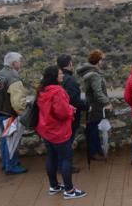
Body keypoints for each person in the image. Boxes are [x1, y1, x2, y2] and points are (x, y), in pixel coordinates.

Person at [36, 65, 87, 199]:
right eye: (60, 74)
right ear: (54, 76)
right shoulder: (58, 91)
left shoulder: (42, 90)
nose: (62, 75)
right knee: (66, 159)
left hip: (46, 130)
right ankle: (69, 191)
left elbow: (50, 109)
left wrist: (67, 106)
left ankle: (54, 186)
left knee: (51, 158)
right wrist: (71, 110)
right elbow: (62, 113)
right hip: (59, 131)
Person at [0, 52, 28, 174]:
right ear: (14, 63)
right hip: (9, 115)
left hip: (0, 112)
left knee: (5, 140)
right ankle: (11, 166)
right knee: (11, 141)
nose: (20, 63)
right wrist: (23, 114)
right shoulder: (13, 77)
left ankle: (6, 163)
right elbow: (17, 102)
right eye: (19, 61)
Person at [77, 50, 112, 161]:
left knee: (92, 129)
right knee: (93, 130)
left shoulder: (89, 73)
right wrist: (107, 102)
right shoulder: (94, 75)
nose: (102, 62)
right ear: (98, 61)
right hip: (96, 106)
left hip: (91, 104)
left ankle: (96, 150)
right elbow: (98, 92)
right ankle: (94, 152)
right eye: (101, 59)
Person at [57, 54, 87, 173]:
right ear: (70, 64)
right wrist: (86, 106)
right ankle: (65, 167)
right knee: (67, 142)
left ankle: (60, 165)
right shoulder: (69, 80)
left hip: (60, 115)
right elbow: (73, 99)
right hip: (70, 115)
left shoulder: (58, 78)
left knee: (62, 142)